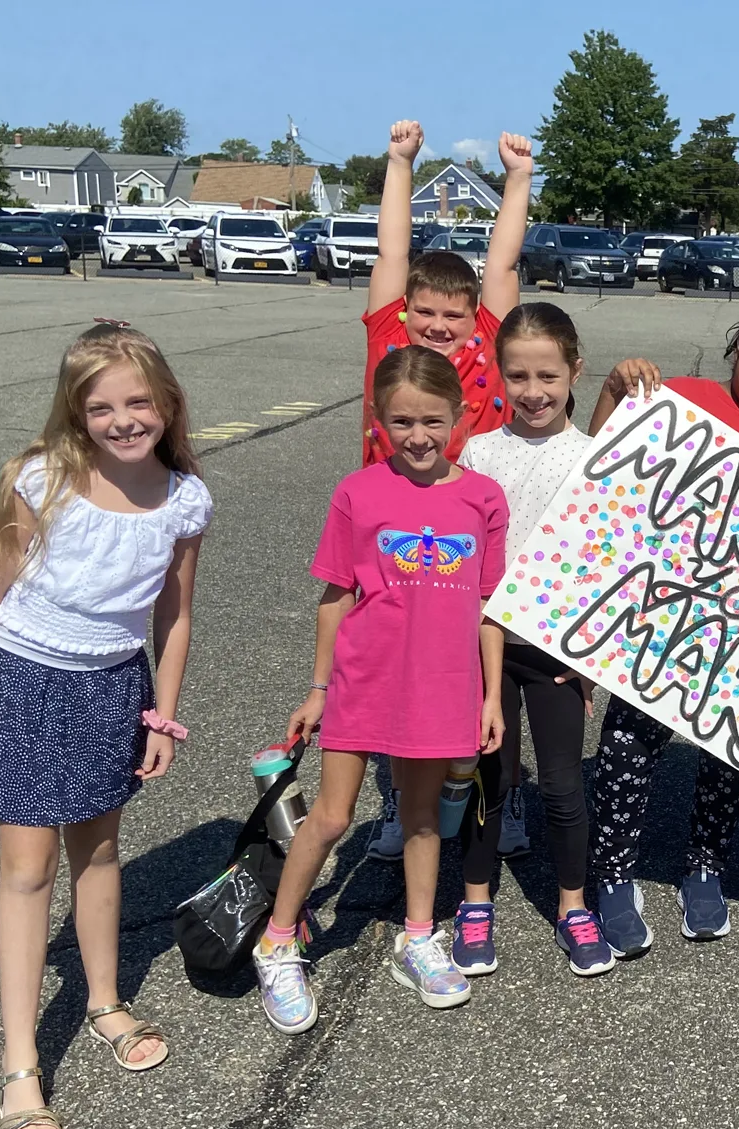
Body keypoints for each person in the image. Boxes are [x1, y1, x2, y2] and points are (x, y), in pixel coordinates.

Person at [0, 324, 212, 1129]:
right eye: (102, 407)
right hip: (24, 682)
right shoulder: (41, 481)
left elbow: (173, 614)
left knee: (99, 854)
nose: (124, 420)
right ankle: (21, 1064)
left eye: (139, 402)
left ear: (166, 403)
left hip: (112, 690)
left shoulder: (185, 499)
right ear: (76, 412)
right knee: (28, 870)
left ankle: (102, 1002)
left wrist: (161, 712)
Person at [251, 346, 509, 1034]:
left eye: (432, 420)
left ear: (458, 415)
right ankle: (278, 941)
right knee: (332, 817)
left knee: (424, 817)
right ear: (378, 419)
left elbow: (488, 604)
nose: (418, 436)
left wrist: (488, 696)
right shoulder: (358, 492)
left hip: (445, 683)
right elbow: (336, 595)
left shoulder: (483, 497)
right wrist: (318, 686)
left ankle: (419, 936)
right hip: (366, 680)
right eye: (401, 422)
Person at [583, 296, 739, 952]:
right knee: (627, 746)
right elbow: (599, 467)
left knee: (727, 756)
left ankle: (704, 865)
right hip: (657, 614)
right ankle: (612, 873)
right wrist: (613, 388)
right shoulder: (676, 399)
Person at [361, 122, 531, 862]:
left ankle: (498, 794)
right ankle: (404, 802)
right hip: (391, 540)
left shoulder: (486, 350)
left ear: (473, 324)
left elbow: (501, 262)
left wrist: (518, 178)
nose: (435, 322)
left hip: (466, 540)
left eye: (451, 315)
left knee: (477, 675)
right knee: (392, 674)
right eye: (423, 310)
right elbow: (392, 253)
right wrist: (400, 163)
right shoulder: (388, 347)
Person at [455, 303, 609, 976]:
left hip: (555, 652)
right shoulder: (479, 453)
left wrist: (593, 657)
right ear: (497, 373)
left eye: (548, 374)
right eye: (517, 375)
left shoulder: (594, 459)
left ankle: (574, 905)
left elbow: (608, 564)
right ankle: (475, 901)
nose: (534, 390)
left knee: (562, 785)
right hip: (481, 646)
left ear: (576, 370)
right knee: (492, 777)